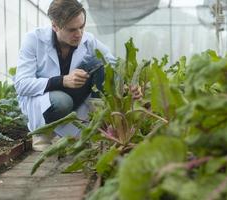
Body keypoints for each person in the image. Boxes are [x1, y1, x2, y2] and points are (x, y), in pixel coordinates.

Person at [14, 0, 141, 151]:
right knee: (62, 101)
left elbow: (113, 64)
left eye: (81, 27)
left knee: (99, 63)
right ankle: (43, 133)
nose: (79, 34)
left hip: (75, 99)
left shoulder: (88, 40)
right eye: (72, 29)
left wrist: (129, 85)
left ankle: (97, 125)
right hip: (48, 100)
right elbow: (22, 84)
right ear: (55, 26)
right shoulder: (34, 40)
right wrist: (63, 81)